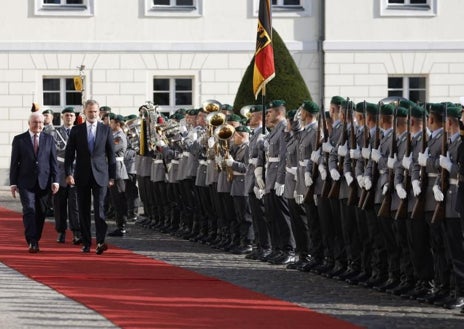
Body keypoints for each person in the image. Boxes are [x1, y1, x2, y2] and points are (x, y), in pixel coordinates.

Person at [64, 99, 116, 254]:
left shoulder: (105, 130)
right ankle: (86, 242)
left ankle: (100, 241)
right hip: (82, 175)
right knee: (83, 210)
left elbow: (111, 155)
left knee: (100, 209)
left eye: (95, 111)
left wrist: (112, 177)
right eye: (90, 111)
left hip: (101, 175)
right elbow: (69, 154)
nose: (93, 114)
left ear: (98, 112)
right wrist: (68, 173)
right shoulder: (76, 130)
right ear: (84, 112)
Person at [9, 111, 59, 253]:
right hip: (25, 182)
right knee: (29, 210)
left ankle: (35, 238)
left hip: (44, 182)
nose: (38, 125)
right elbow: (14, 163)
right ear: (29, 123)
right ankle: (32, 241)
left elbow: (53, 161)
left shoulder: (49, 139)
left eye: (41, 123)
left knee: (41, 213)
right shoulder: (19, 139)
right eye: (35, 122)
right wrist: (13, 183)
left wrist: (55, 180)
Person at [54, 106, 81, 244]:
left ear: (75, 117)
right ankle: (61, 231)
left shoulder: (80, 132)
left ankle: (76, 232)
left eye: (71, 115)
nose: (69, 117)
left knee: (75, 204)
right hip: (59, 172)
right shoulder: (56, 133)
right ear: (62, 117)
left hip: (76, 171)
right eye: (66, 115)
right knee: (59, 205)